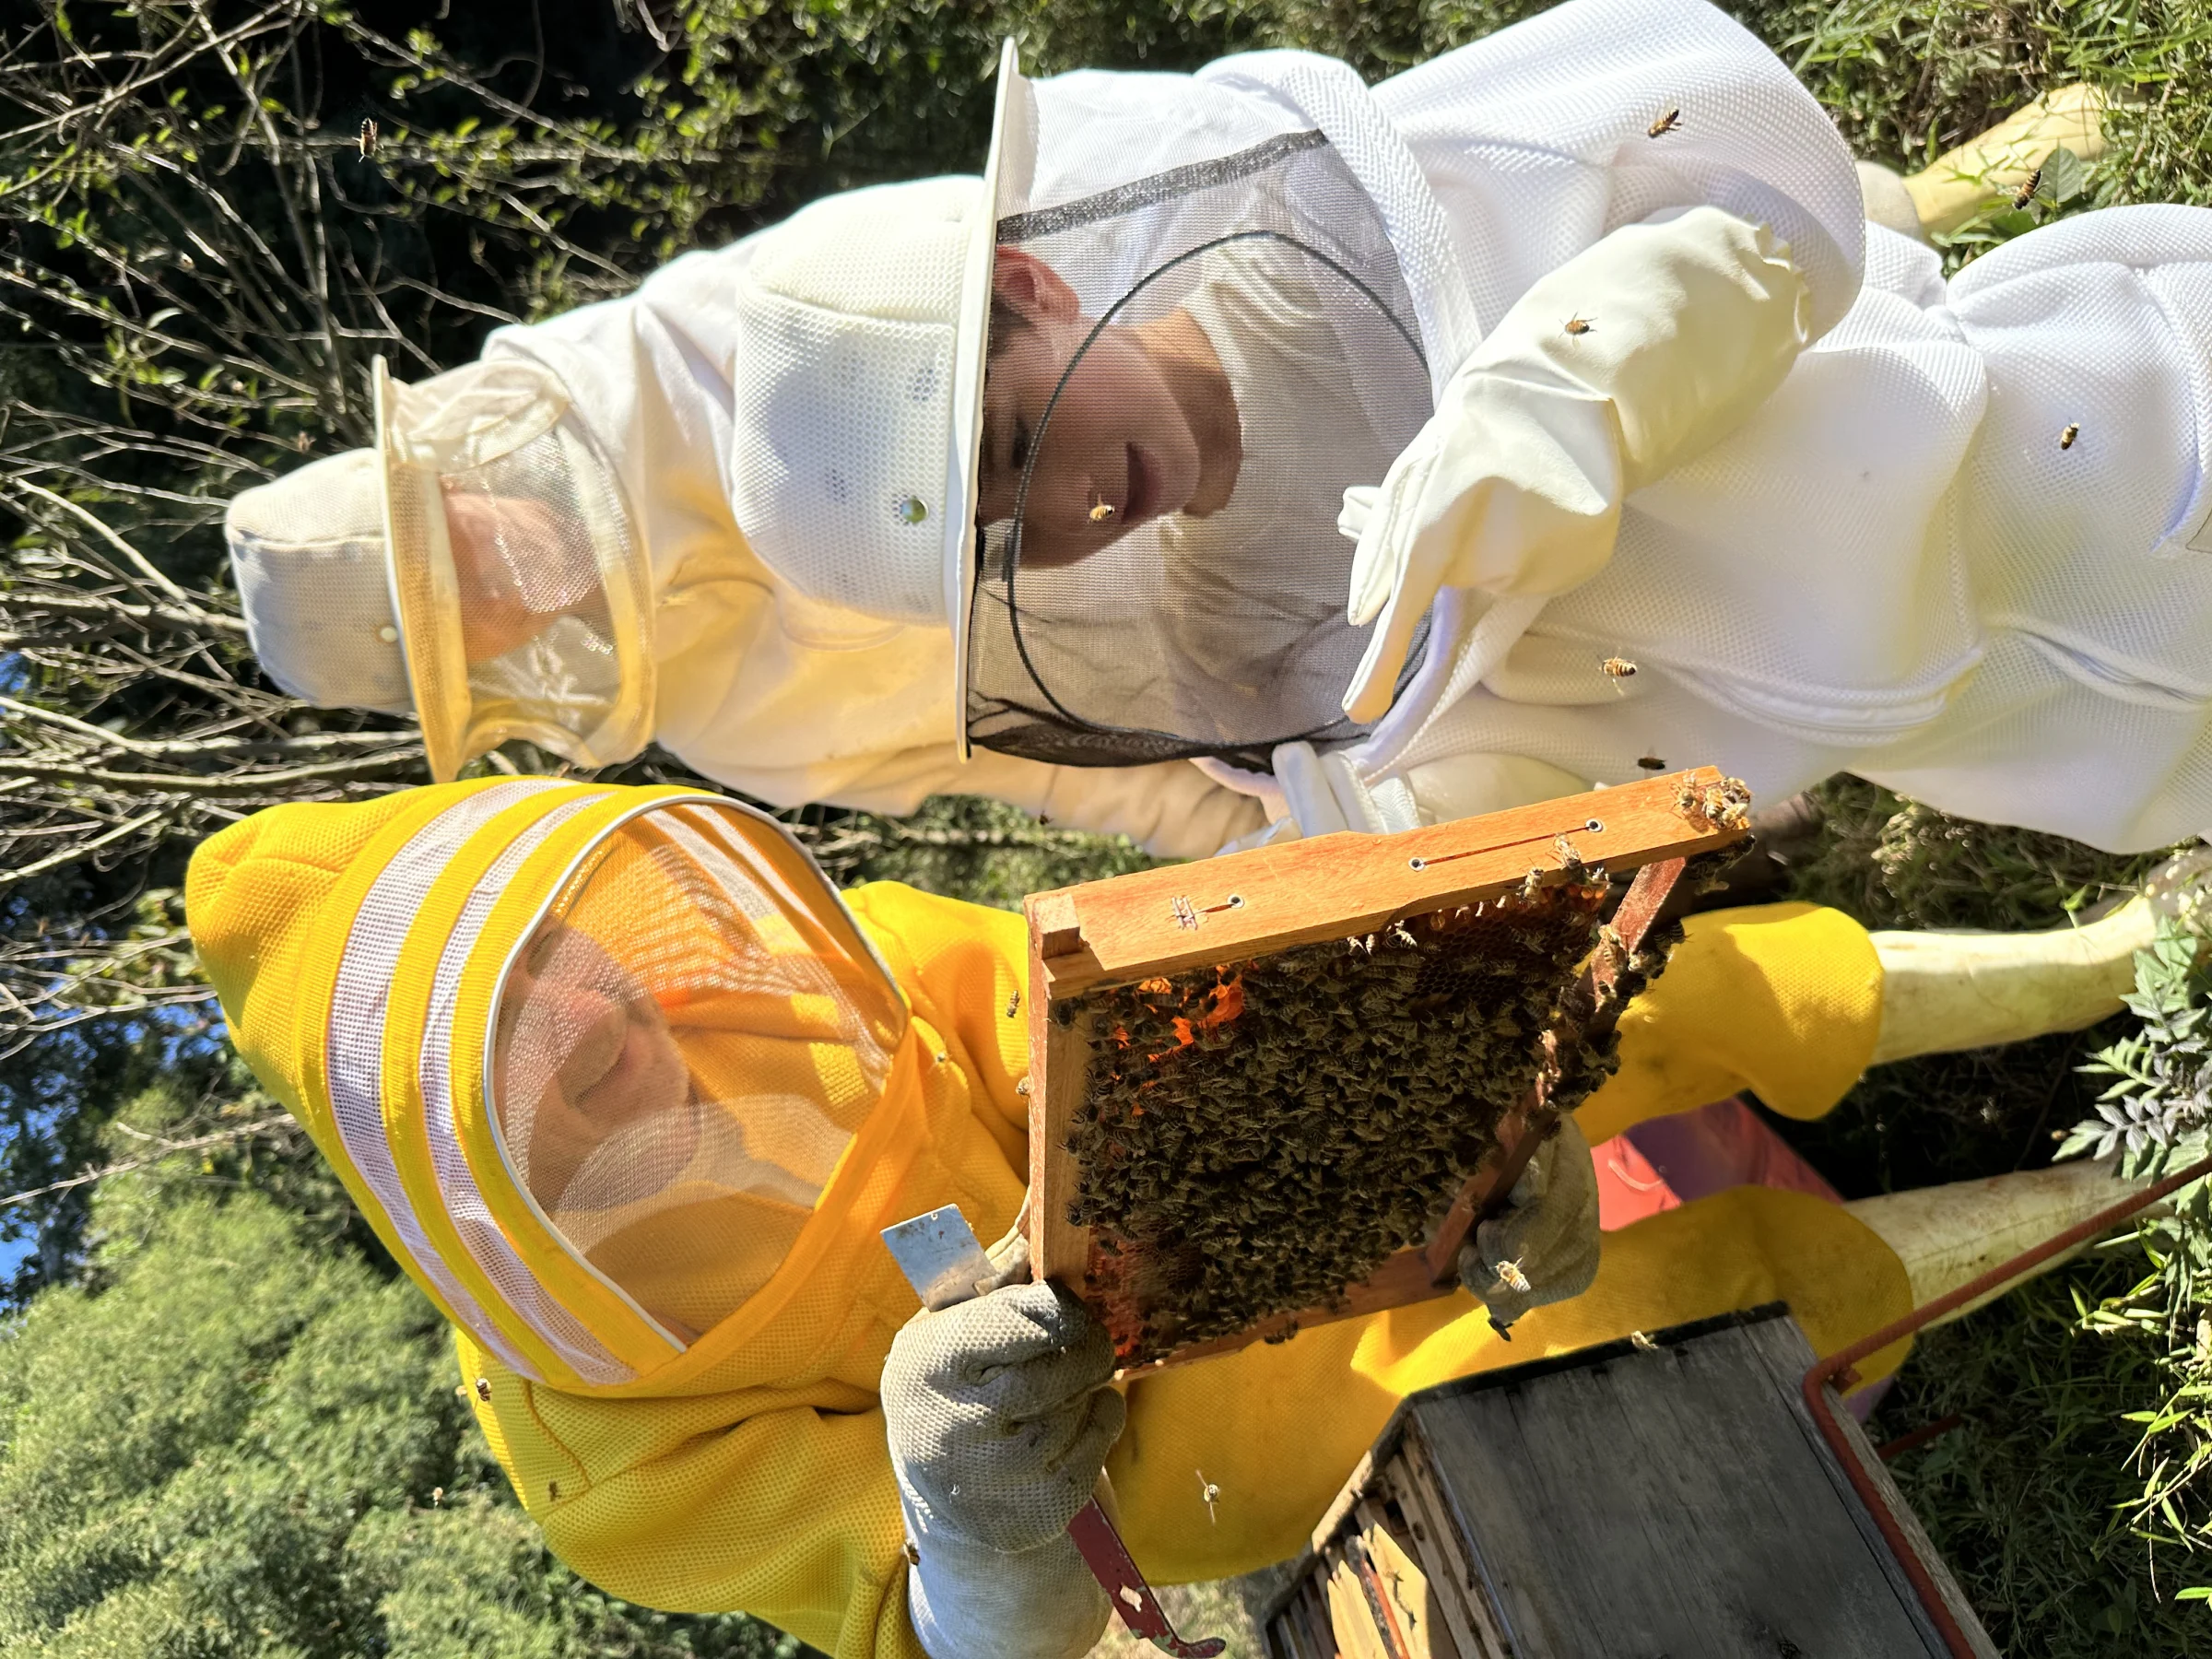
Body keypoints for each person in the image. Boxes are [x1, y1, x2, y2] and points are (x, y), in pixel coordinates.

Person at [188, 775, 2177, 1658]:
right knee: (1640, 1370)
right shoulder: (591, 1451)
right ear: (448, 1173)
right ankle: (2135, 1175)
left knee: (1623, 1001)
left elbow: (1151, 1036)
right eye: (548, 1059)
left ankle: (2118, 957)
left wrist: (1470, 1132)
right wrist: (973, 1530)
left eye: (588, 968)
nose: (622, 1027)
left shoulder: (839, 963)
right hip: (1230, 1464)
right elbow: (951, 1641)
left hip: (1337, 1214)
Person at [225, 0, 2210, 860]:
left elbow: (1740, 171)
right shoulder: (1177, 617)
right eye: (1011, 556)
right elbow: (1352, 759)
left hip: (2105, 438)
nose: (1066, 523)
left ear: (1037, 284)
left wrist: (1570, 372)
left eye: (1017, 463)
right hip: (2038, 745)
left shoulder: (855, 327)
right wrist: (1362, 871)